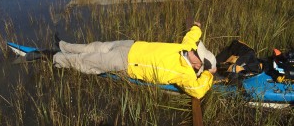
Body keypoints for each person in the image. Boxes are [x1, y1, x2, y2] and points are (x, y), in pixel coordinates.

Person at [53, 22, 217, 99]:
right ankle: (63, 45)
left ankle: (53, 57)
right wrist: (197, 27)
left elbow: (198, 90)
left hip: (125, 62)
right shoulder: (186, 49)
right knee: (92, 47)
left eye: (197, 53)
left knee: (86, 62)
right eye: (196, 48)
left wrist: (209, 74)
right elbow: (191, 38)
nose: (194, 50)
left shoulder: (185, 74)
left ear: (198, 65)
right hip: (131, 45)